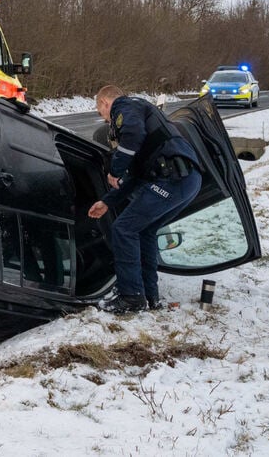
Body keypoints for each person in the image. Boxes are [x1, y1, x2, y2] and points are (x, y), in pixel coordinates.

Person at [87, 85, 203, 313]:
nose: (106, 121)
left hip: (172, 180)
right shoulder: (142, 123)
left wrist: (115, 169)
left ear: (104, 103)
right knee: (145, 231)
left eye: (101, 114)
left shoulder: (126, 106)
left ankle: (130, 296)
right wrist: (107, 201)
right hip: (186, 180)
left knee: (124, 229)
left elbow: (132, 134)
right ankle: (150, 297)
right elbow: (138, 176)